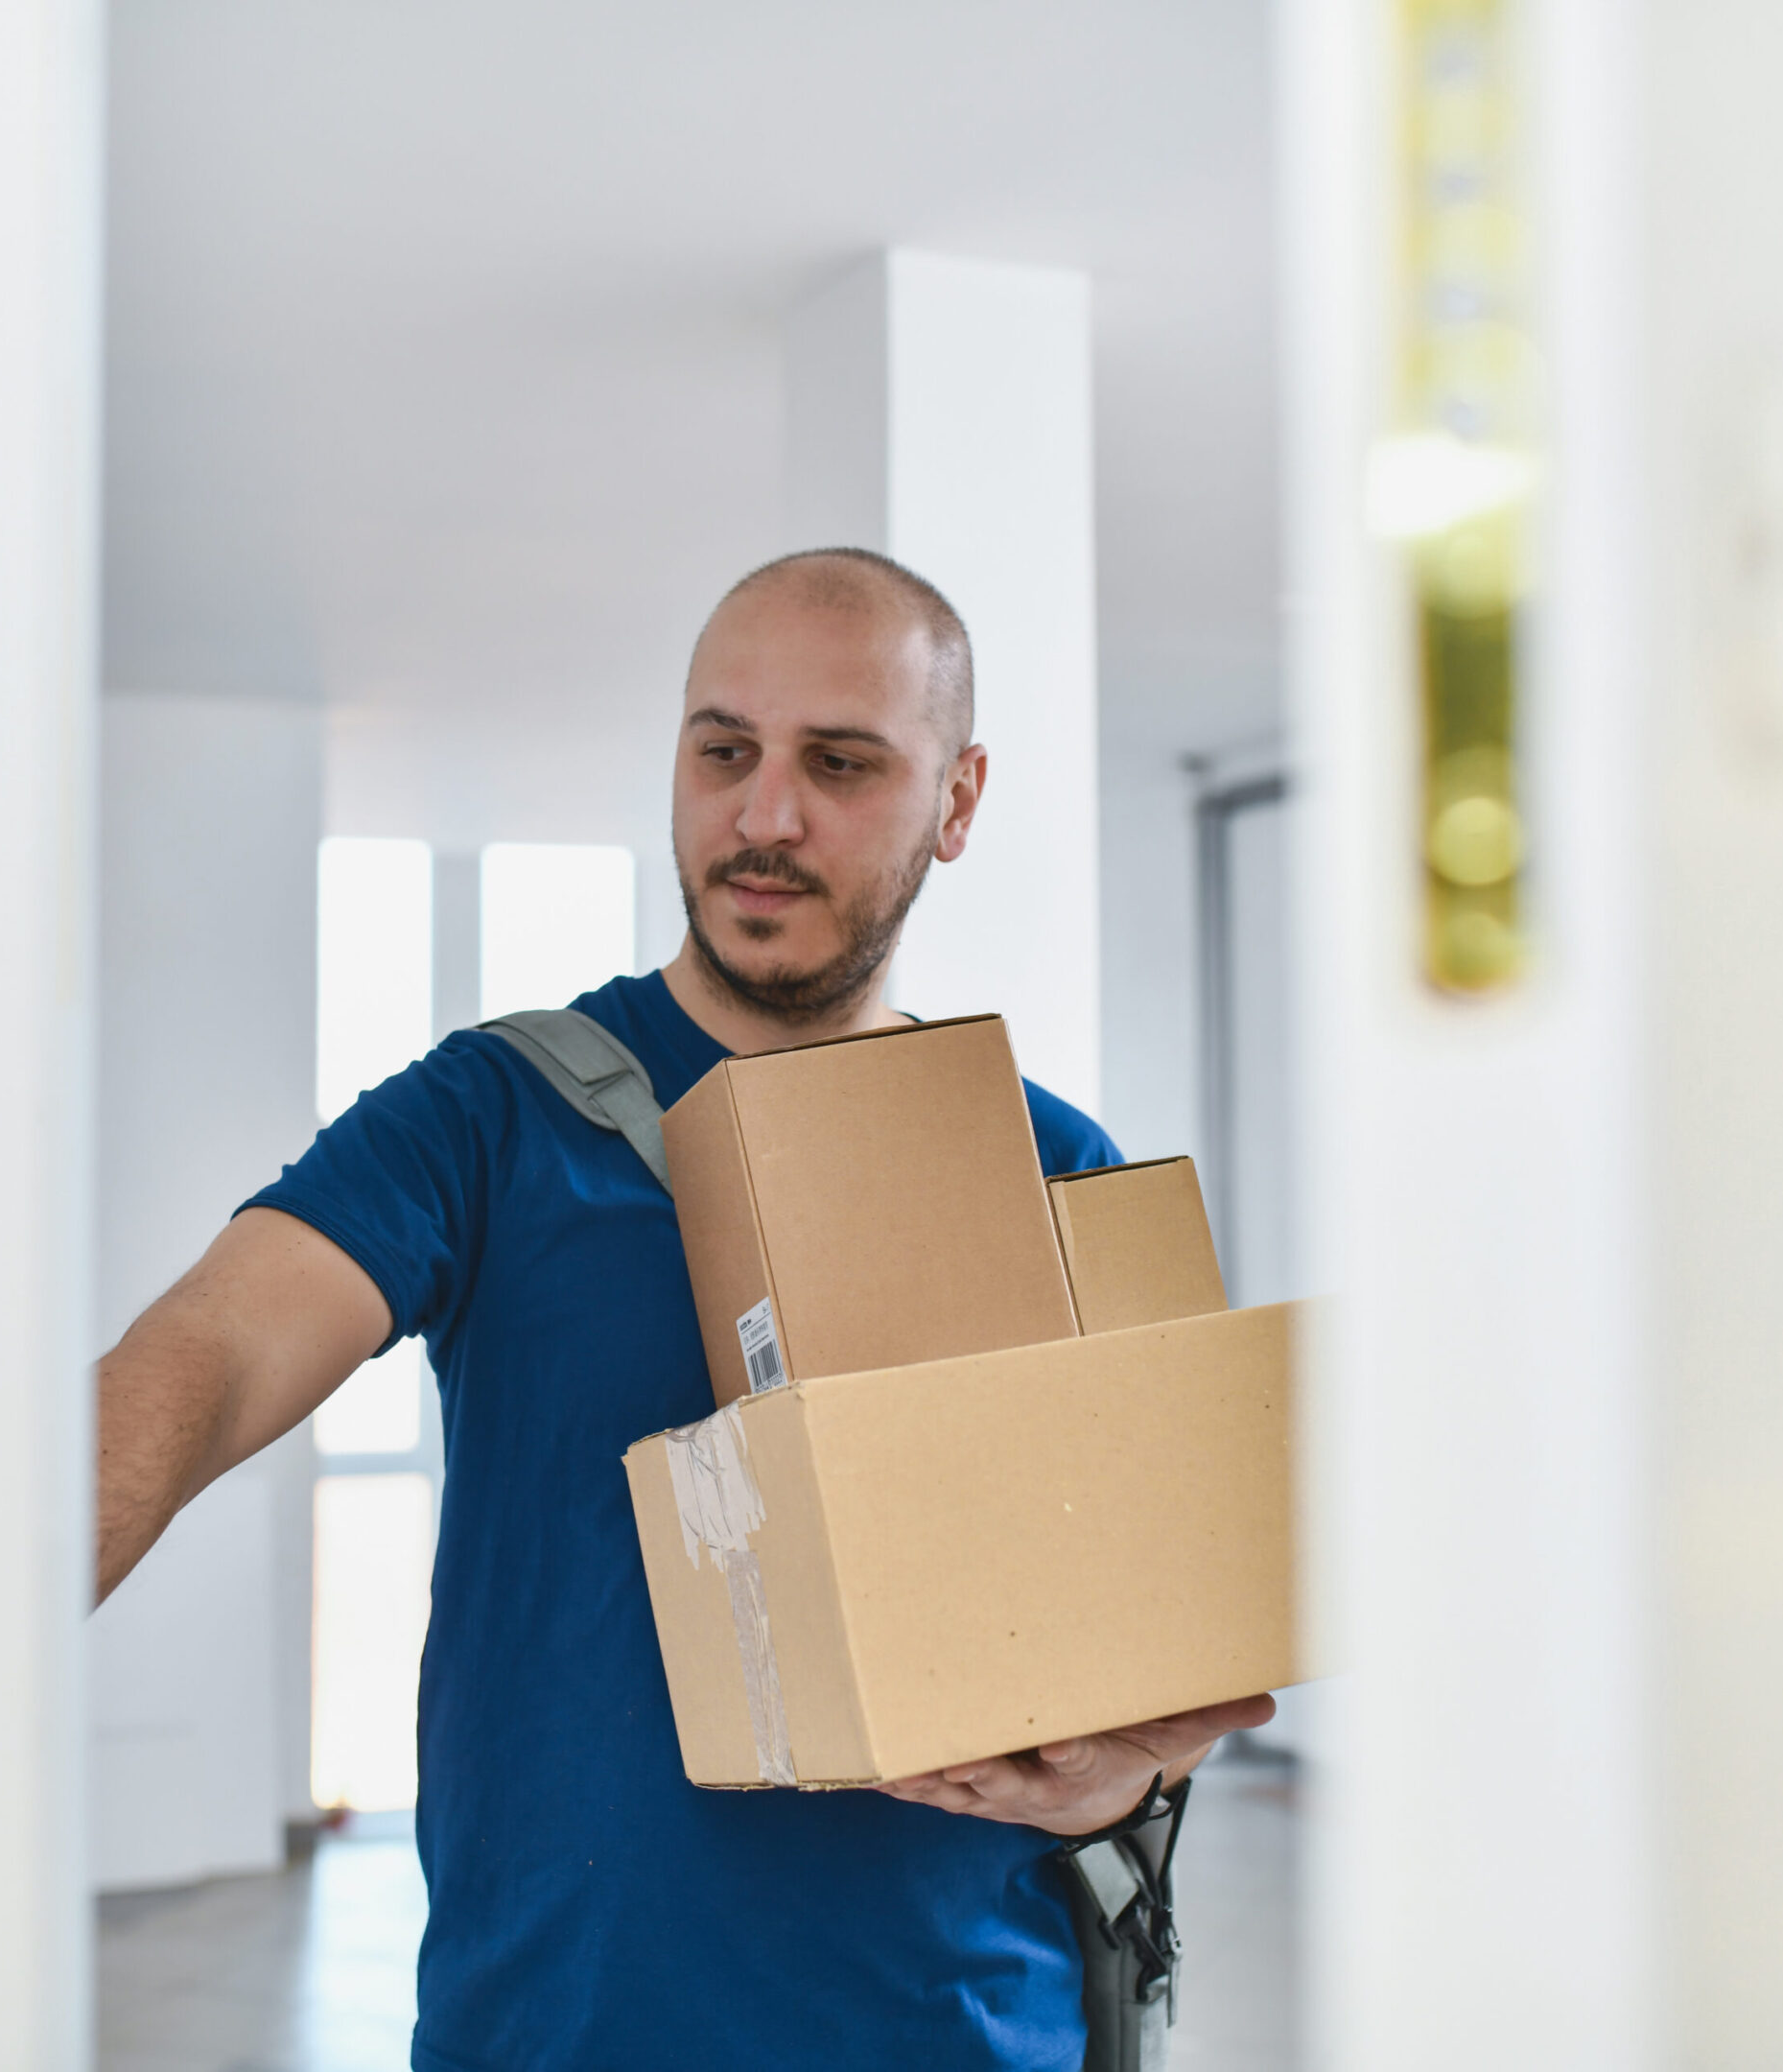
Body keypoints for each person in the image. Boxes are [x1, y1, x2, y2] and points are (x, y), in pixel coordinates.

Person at [94, 547, 1276, 2072]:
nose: (763, 815)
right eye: (725, 752)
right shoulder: (493, 1120)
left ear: (958, 801)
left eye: (839, 764)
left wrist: (1119, 1777)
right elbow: (212, 1352)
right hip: (557, 2036)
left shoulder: (1051, 1165)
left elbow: (1154, 1659)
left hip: (973, 2038)